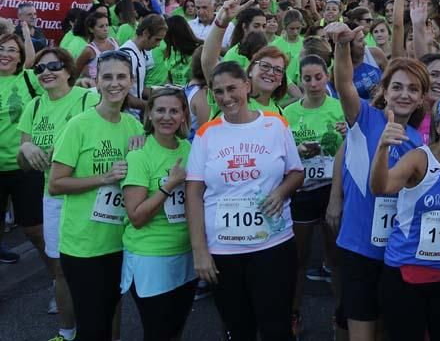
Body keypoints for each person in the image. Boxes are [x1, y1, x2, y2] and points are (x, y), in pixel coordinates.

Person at [186, 61, 304, 341]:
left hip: (273, 244)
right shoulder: (206, 134)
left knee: (276, 327)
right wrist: (199, 250)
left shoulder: (275, 125)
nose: (226, 98)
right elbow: (193, 193)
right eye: (218, 92)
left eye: (232, 89)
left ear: (247, 86)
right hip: (224, 250)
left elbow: (297, 173)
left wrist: (281, 191)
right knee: (238, 329)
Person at [329, 21, 427, 341]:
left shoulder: (417, 141)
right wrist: (342, 46)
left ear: (421, 98)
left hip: (397, 252)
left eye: (413, 89)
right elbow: (344, 82)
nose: (404, 94)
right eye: (397, 86)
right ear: (384, 90)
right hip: (358, 248)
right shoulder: (364, 118)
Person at [49, 50, 144, 341]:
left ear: (131, 81)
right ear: (96, 80)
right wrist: (104, 177)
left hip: (119, 241)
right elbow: (56, 184)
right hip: (83, 246)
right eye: (107, 77)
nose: (114, 84)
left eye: (121, 77)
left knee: (109, 315)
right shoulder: (79, 125)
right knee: (92, 326)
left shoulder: (134, 126)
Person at [370, 91, 440, 340]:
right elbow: (381, 187)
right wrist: (383, 148)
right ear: (438, 123)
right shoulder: (419, 158)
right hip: (406, 273)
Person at [17, 47, 97, 341]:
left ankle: (97, 329)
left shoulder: (88, 99)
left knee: (95, 268)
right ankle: (66, 332)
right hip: (54, 197)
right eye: (39, 69)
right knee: (61, 269)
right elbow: (23, 165)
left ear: (68, 70)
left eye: (53, 66)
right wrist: (25, 149)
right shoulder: (34, 107)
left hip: (89, 193)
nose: (45, 72)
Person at [121, 87, 197, 341]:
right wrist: (169, 185)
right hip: (151, 257)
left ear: (183, 115)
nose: (167, 117)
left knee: (176, 327)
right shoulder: (139, 155)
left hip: (186, 252)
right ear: (149, 115)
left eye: (174, 110)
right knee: (158, 332)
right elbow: (136, 217)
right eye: (160, 110)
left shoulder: (189, 149)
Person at [283, 54, 347, 336]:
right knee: (298, 259)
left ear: (327, 78)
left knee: (336, 259)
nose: (312, 84)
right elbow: (282, 156)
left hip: (334, 190)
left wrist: (350, 133)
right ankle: (293, 314)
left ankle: (342, 316)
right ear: (299, 79)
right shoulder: (288, 113)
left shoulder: (341, 108)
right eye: (306, 78)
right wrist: (299, 151)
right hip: (302, 192)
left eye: (318, 77)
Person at [0, 32, 40, 265]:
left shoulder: (31, 79)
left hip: (25, 166)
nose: (5, 55)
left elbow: (61, 92)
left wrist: (82, 84)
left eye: (12, 50)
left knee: (34, 229)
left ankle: (59, 278)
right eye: (1, 49)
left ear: (21, 57)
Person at [119, 14, 168, 113]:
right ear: (145, 33)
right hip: (126, 116)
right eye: (157, 39)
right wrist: (151, 106)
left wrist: (164, 93)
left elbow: (138, 88)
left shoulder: (141, 51)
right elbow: (121, 95)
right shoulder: (128, 55)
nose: (158, 45)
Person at [75, 11, 119, 82]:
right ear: (91, 29)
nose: (105, 29)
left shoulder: (115, 42)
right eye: (101, 26)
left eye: (107, 25)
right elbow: (75, 72)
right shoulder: (89, 50)